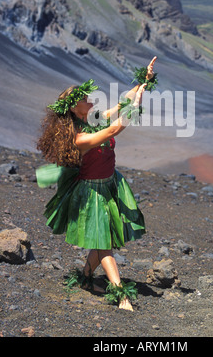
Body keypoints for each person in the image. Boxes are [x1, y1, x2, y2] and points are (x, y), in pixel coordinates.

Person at [36, 57, 158, 311]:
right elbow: (113, 130)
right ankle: (120, 293)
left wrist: (142, 83)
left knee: (105, 239)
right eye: (84, 99)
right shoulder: (80, 138)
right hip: (92, 193)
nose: (90, 99)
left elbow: (121, 105)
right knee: (104, 243)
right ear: (73, 109)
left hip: (109, 185)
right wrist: (134, 107)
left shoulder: (93, 119)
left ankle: (86, 278)